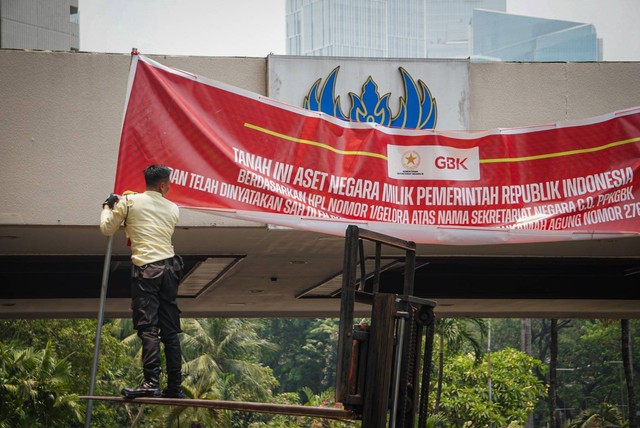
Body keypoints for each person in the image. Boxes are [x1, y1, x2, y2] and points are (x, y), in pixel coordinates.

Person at [100, 164, 185, 399]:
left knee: (148, 328)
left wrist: (108, 207)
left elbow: (108, 228)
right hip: (170, 269)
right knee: (169, 331)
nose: (169, 187)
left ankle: (151, 384)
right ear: (161, 184)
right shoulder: (173, 208)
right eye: (168, 183)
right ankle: (175, 388)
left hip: (147, 270)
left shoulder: (130, 203)